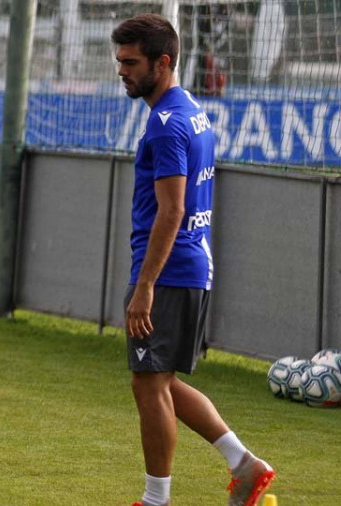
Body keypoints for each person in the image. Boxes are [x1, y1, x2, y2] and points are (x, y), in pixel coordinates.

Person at [112, 14, 274, 506]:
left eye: (131, 62)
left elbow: (173, 210)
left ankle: (156, 500)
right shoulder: (192, 112)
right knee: (158, 380)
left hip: (169, 272)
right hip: (189, 266)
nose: (122, 71)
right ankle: (244, 465)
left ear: (163, 63)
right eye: (119, 61)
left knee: (148, 386)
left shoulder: (165, 125)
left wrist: (144, 287)